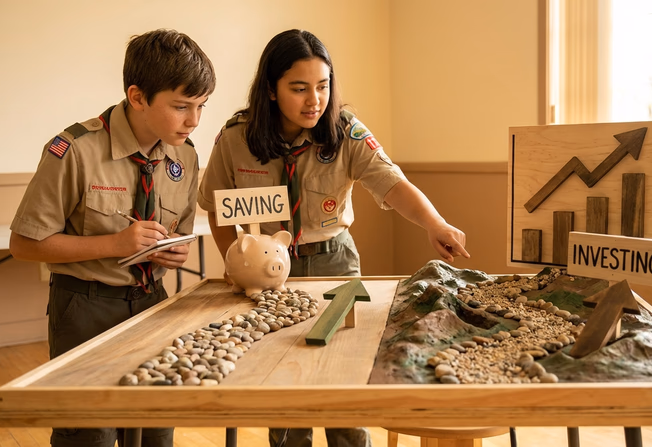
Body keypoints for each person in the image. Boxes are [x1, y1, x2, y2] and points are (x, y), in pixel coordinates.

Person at [198, 29, 469, 447]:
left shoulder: (345, 130)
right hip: (268, 273)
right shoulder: (237, 136)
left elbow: (393, 185)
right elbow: (217, 207)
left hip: (334, 263)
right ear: (271, 90)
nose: (314, 101)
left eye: (323, 86)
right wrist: (235, 266)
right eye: (299, 88)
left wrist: (435, 224)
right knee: (283, 386)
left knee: (343, 380)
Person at [8, 29, 215, 447]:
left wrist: (170, 252)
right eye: (181, 107)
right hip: (84, 308)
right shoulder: (74, 150)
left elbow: (177, 231)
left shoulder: (186, 155)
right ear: (138, 97)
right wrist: (115, 245)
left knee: (156, 430)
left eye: (201, 107)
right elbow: (24, 244)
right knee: (89, 434)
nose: (194, 121)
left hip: (153, 306)